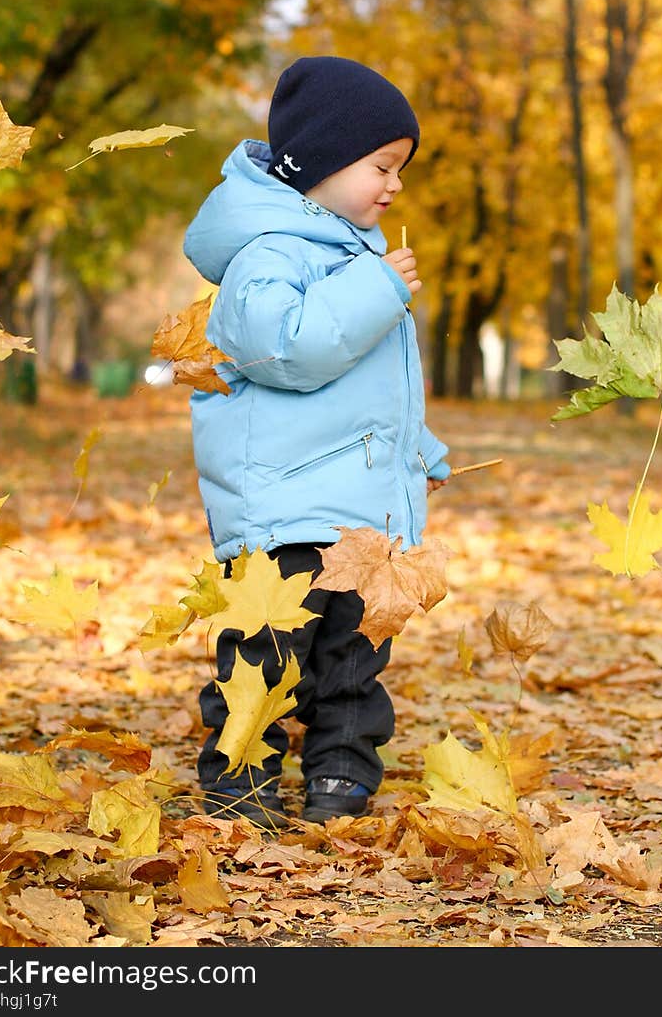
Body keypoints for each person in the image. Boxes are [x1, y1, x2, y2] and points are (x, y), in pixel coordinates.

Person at [182, 55, 451, 828]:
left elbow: (370, 388)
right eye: (382, 165)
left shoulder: (348, 252)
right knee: (264, 651)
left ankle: (341, 769)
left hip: (356, 509)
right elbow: (286, 351)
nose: (395, 185)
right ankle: (241, 777)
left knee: (352, 657)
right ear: (323, 160)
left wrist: (418, 451)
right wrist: (378, 290)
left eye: (400, 168)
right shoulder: (267, 253)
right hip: (285, 501)